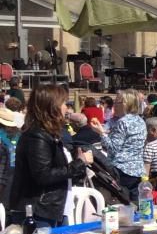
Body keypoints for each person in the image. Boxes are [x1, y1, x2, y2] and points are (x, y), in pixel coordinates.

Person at [9, 84, 92, 226]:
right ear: (52, 106)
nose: (67, 108)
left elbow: (58, 169)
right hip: (39, 211)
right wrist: (79, 163)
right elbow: (43, 174)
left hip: (53, 208)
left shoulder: (49, 133)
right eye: (64, 103)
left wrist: (79, 166)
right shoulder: (37, 136)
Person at [91, 89, 147, 199]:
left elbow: (113, 148)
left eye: (117, 102)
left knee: (122, 201)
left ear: (126, 104)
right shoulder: (140, 120)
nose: (114, 106)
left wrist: (101, 132)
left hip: (122, 168)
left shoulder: (123, 122)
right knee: (136, 202)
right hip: (137, 168)